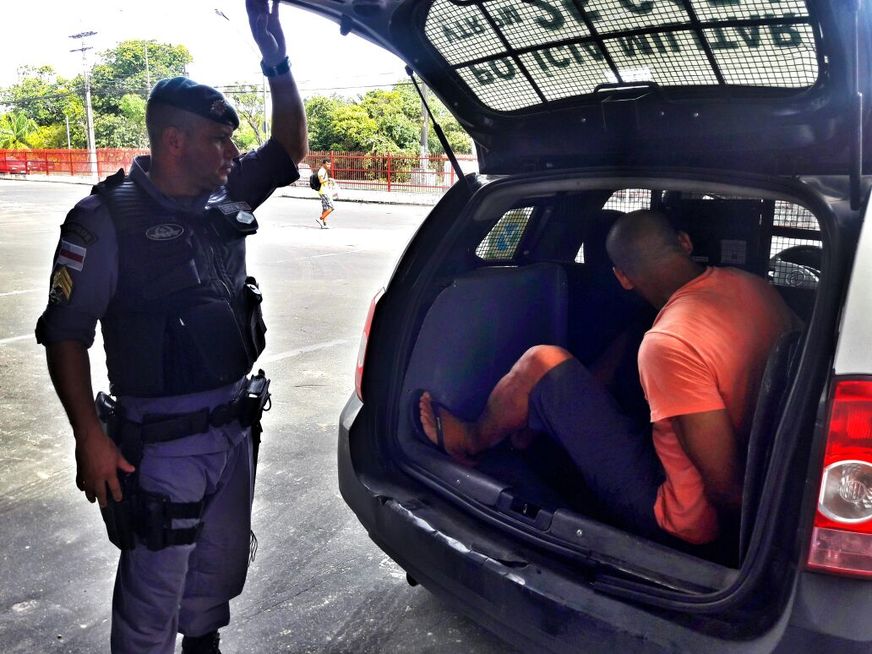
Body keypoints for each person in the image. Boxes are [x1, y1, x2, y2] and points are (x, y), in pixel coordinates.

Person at [34, 1, 307, 652]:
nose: (232, 152)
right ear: (175, 141)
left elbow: (290, 148)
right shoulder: (104, 220)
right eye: (219, 139)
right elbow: (65, 333)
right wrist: (88, 439)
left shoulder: (226, 194)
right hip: (158, 449)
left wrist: (276, 57)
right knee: (150, 607)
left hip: (234, 432)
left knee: (210, 594)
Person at [418, 210, 796, 546]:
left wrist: (736, 555)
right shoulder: (753, 286)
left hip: (682, 521)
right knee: (629, 337)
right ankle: (538, 420)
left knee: (541, 361)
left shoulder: (669, 342)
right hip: (767, 471)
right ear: (684, 242)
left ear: (623, 278)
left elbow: (724, 488)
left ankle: (469, 442)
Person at [316, 158, 334, 228]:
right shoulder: (321, 171)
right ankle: (320, 219)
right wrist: (328, 179)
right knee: (331, 207)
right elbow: (321, 181)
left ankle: (324, 224)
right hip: (323, 192)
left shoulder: (324, 171)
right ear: (323, 164)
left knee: (325, 209)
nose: (329, 166)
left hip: (324, 191)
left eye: (330, 164)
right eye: (327, 164)